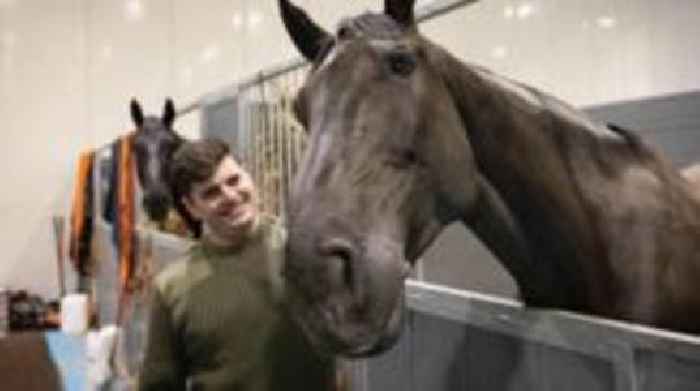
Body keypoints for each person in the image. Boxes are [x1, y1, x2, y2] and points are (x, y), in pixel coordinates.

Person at [138, 138, 337, 390]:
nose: (230, 196)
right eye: (211, 193)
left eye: (234, 180)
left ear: (248, 177)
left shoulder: (305, 252)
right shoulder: (173, 288)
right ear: (192, 208)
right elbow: (158, 384)